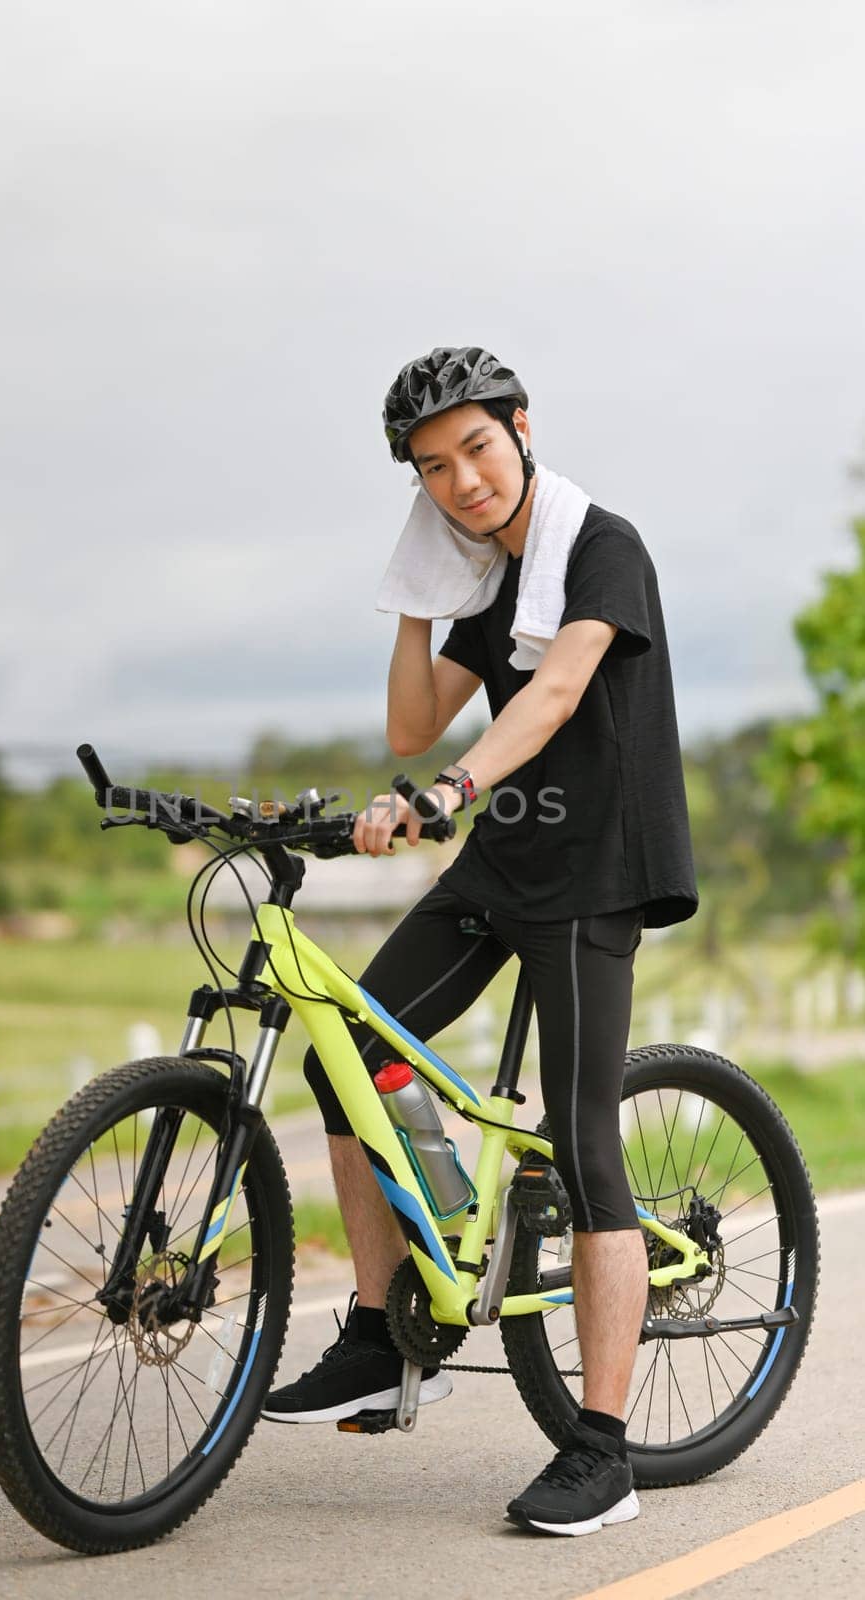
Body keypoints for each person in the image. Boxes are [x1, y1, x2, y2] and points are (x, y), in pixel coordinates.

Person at [262, 346, 698, 1537]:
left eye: (476, 449)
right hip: (501, 861)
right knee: (340, 1054)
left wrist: (448, 790)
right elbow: (410, 718)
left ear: (520, 426)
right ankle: (381, 1321)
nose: (461, 480)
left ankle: (599, 1452)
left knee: (578, 1135)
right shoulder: (486, 585)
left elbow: (552, 695)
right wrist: (416, 588)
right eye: (431, 470)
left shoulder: (599, 548)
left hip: (593, 867)